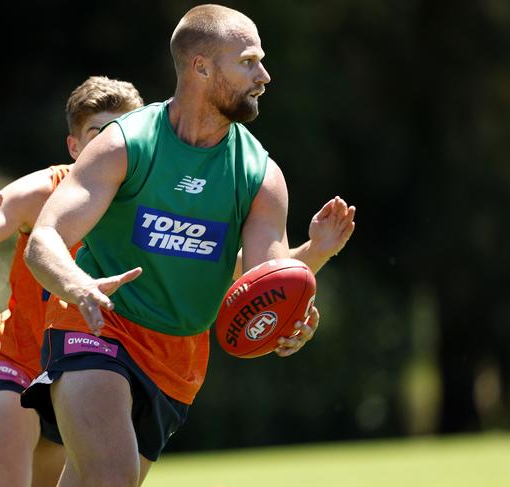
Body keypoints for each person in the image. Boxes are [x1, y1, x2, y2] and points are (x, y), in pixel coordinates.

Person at [22, 5, 356, 487]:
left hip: (178, 357)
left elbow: (265, 278)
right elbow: (45, 239)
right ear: (201, 66)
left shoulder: (260, 176)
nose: (264, 75)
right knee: (110, 479)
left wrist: (289, 317)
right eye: (248, 61)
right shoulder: (125, 145)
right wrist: (79, 285)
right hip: (96, 324)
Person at [0, 76, 145, 487]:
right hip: (20, 358)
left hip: (87, 369)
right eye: (99, 134)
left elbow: (228, 265)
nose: (113, 146)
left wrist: (305, 258)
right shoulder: (43, 191)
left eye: (124, 134)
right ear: (75, 146)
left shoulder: (150, 202)